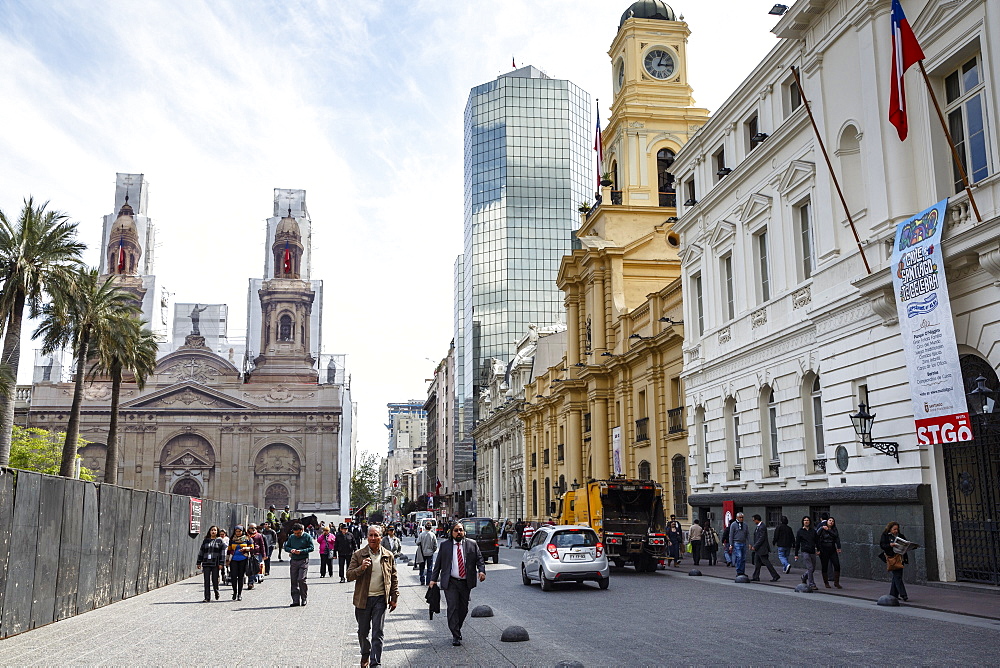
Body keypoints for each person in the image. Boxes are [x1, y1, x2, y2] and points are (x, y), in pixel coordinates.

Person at [348, 526, 400, 668]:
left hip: (380, 599)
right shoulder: (359, 554)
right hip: (363, 599)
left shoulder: (388, 555)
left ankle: (375, 662)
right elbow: (349, 575)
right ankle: (365, 653)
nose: (372, 538)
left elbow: (393, 577)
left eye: (375, 535)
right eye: (370, 535)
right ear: (367, 537)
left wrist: (394, 597)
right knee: (363, 632)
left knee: (378, 632)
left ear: (380, 538)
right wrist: (361, 568)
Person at [429, 522, 486, 646]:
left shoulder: (472, 544)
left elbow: (479, 559)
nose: (459, 532)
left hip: (466, 582)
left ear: (464, 531)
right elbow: (438, 564)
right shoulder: (445, 546)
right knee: (453, 607)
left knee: (463, 609)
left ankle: (457, 627)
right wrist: (433, 579)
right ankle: (455, 634)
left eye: (461, 530)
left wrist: (481, 571)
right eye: (456, 530)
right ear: (452, 532)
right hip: (451, 582)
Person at [284, 522, 314, 606]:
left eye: (298, 533)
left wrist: (301, 551)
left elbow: (311, 548)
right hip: (294, 560)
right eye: (295, 533)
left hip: (303, 560)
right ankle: (295, 600)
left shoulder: (307, 536)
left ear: (302, 530)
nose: (296, 535)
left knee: (301, 579)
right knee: (293, 580)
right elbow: (286, 547)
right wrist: (291, 550)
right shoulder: (291, 537)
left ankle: (304, 598)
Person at [879, 521, 909, 602]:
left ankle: (893, 594)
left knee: (896, 577)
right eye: (894, 529)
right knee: (897, 576)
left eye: (897, 529)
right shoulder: (885, 535)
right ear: (890, 529)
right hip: (892, 558)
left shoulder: (900, 536)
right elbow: (882, 545)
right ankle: (903, 594)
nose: (896, 531)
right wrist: (890, 545)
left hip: (900, 557)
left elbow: (906, 543)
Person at [196, 525, 226, 602]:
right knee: (206, 580)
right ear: (209, 531)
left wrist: (221, 563)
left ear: (217, 532)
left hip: (215, 563)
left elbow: (222, 553)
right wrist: (198, 562)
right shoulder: (206, 540)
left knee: (214, 579)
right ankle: (207, 597)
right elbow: (201, 552)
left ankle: (216, 591)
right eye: (212, 530)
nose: (213, 531)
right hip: (206, 562)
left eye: (215, 530)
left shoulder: (220, 541)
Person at [750, 514, 780, 582]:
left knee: (766, 563)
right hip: (759, 549)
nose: (753, 521)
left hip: (762, 549)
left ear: (757, 519)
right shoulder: (759, 527)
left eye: (754, 520)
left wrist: (755, 546)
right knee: (757, 563)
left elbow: (761, 538)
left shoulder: (762, 526)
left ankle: (775, 575)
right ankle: (756, 576)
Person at [227, 526, 253, 601]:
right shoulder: (232, 539)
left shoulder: (247, 538)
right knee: (233, 577)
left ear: (243, 531)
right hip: (233, 560)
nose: (238, 533)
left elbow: (252, 548)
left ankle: (239, 594)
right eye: (236, 531)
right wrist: (227, 560)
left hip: (243, 559)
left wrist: (245, 548)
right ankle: (234, 592)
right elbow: (229, 550)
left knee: (241, 577)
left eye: (239, 531)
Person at [794, 516, 820, 590]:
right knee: (810, 568)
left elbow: (817, 541)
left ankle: (804, 576)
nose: (806, 521)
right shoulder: (800, 531)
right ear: (803, 522)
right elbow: (797, 543)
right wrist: (796, 554)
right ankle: (812, 584)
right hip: (805, 551)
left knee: (812, 568)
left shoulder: (813, 531)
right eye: (805, 520)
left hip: (812, 551)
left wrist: (818, 549)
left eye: (807, 520)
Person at [817, 515, 843, 588]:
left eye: (832, 521)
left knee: (837, 565)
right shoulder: (822, 528)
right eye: (830, 520)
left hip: (832, 549)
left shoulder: (834, 529)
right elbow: (816, 536)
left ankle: (836, 582)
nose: (831, 522)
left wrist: (838, 547)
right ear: (827, 521)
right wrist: (818, 549)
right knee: (825, 566)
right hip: (824, 549)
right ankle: (826, 582)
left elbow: (836, 537)